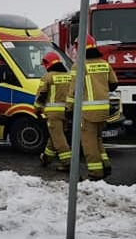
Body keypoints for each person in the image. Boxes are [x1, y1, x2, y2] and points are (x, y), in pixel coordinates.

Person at [66, 34, 119, 180]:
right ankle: (105, 164)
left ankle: (95, 173)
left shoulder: (79, 66)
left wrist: (69, 108)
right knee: (97, 139)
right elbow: (114, 84)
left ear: (78, 48)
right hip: (104, 110)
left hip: (87, 112)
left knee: (88, 144)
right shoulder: (104, 63)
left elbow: (73, 90)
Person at [35, 51, 72, 172]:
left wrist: (37, 109)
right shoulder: (69, 75)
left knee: (58, 138)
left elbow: (41, 95)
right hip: (66, 112)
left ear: (48, 63)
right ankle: (46, 158)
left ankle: (68, 163)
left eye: (45, 65)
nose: (44, 68)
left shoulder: (48, 77)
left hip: (53, 113)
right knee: (55, 136)